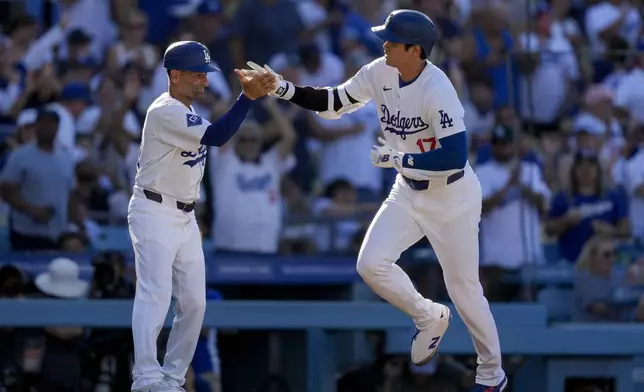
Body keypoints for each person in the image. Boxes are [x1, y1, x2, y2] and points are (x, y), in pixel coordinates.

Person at [245, 9, 506, 391]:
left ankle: (491, 374)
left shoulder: (438, 87)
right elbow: (334, 102)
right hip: (407, 191)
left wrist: (401, 158)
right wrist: (282, 88)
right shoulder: (378, 71)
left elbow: (454, 155)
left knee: (464, 289)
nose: (384, 43)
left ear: (415, 50)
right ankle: (428, 316)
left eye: (392, 39)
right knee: (370, 265)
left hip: (452, 194)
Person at [128, 40, 274, 392]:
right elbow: (219, 136)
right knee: (156, 294)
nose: (204, 82)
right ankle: (146, 378)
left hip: (184, 215)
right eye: (197, 75)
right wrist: (247, 98)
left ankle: (173, 378)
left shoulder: (187, 113)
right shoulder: (165, 110)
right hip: (154, 209)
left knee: (195, 303)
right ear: (174, 75)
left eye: (204, 75)